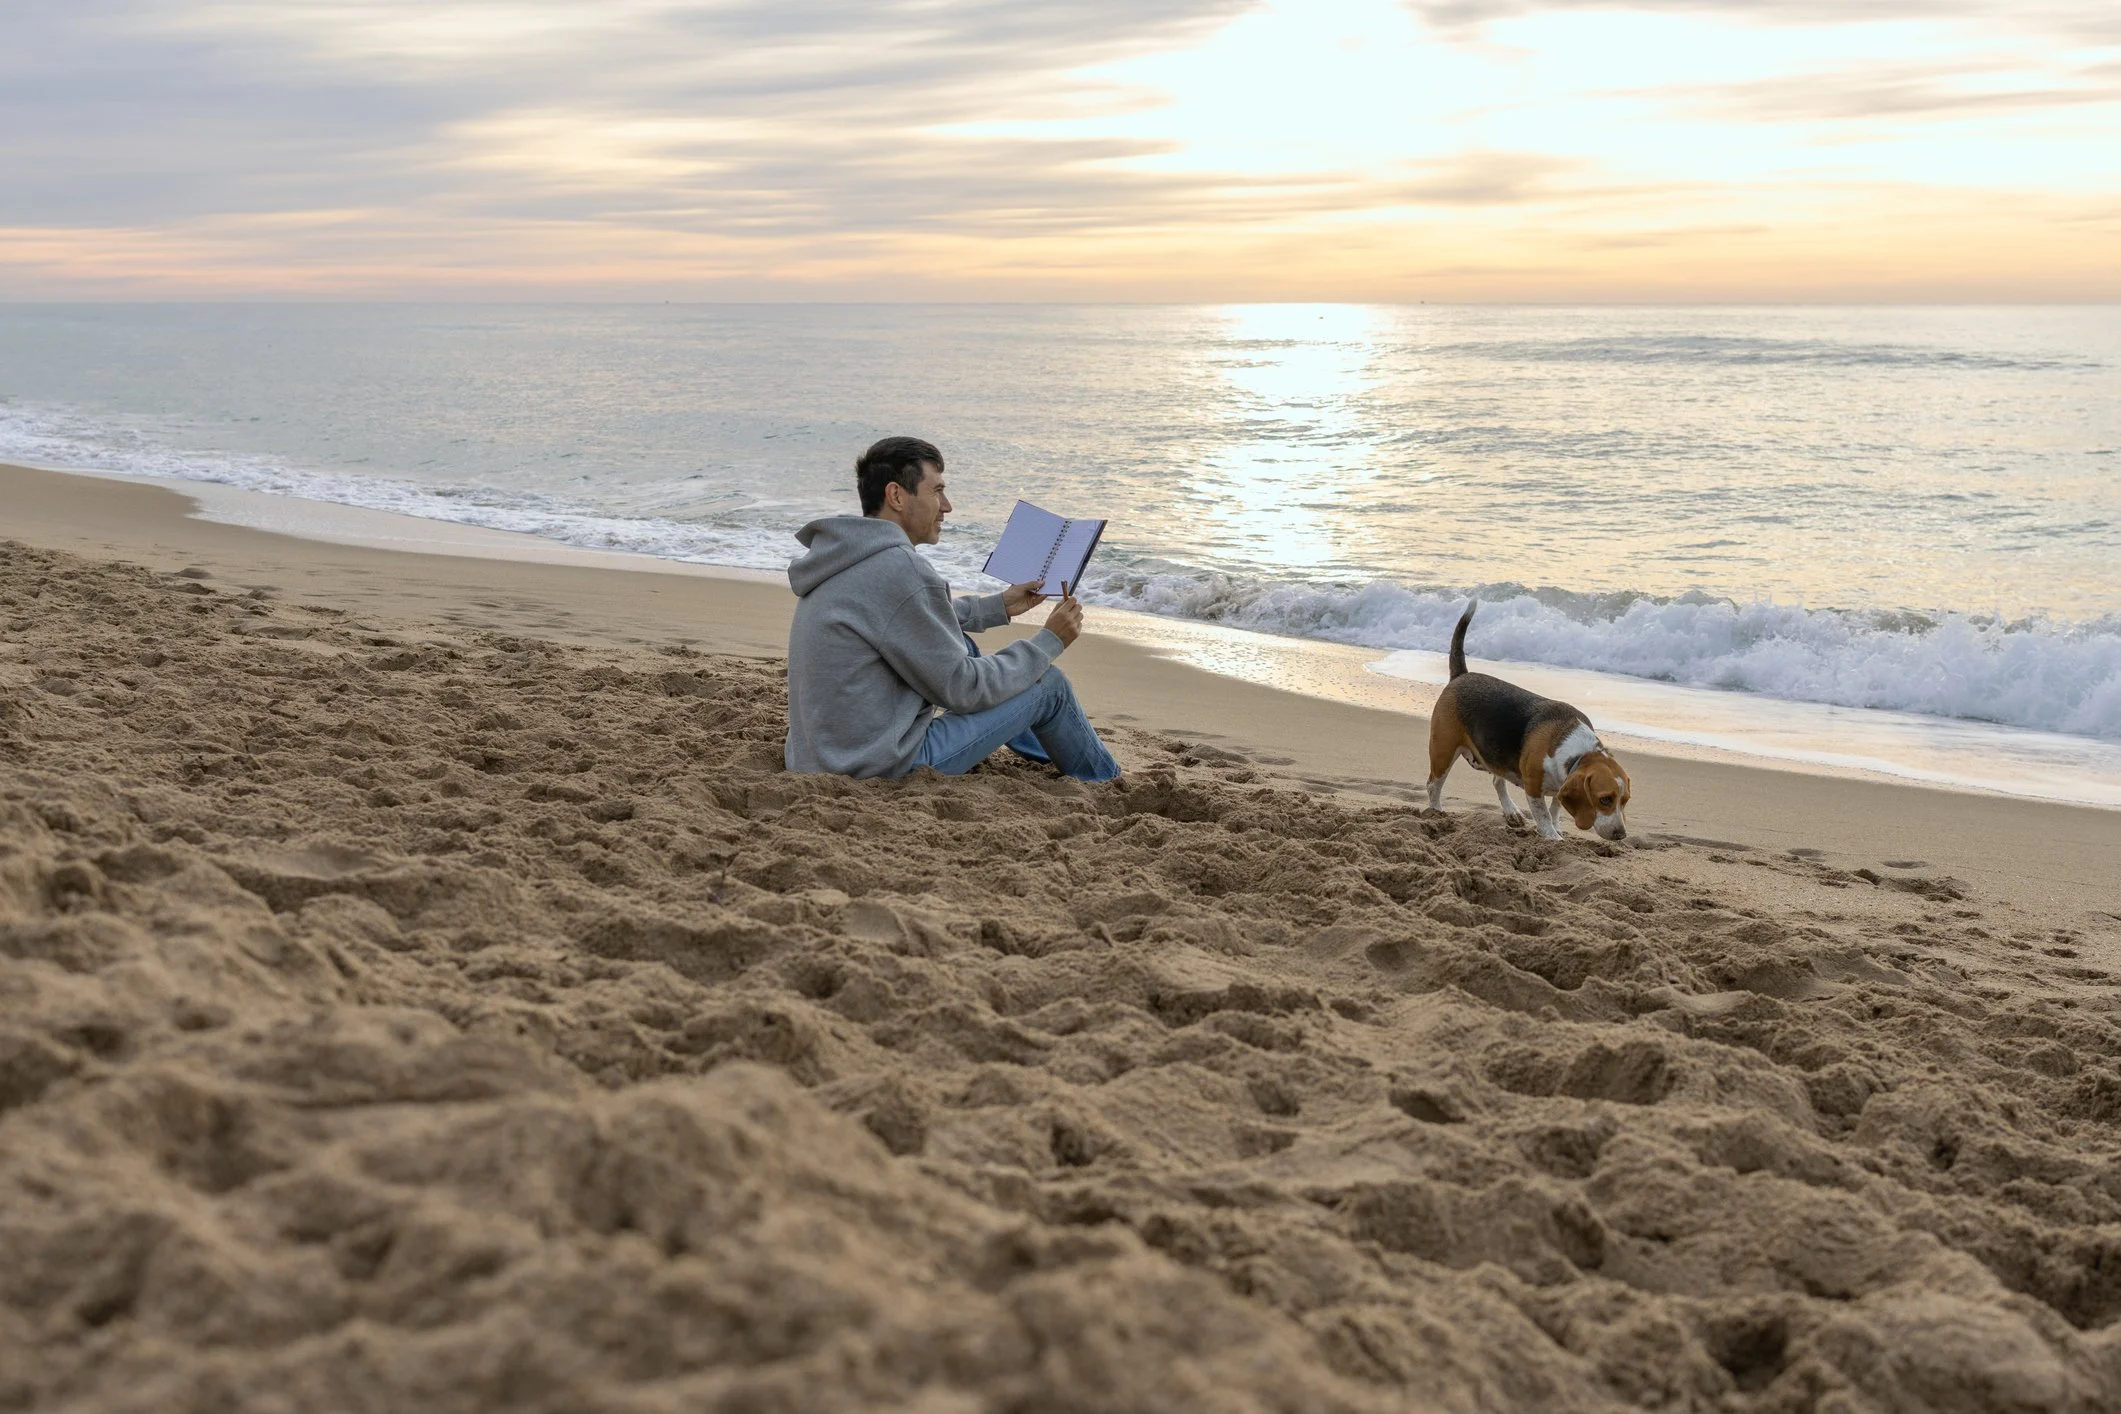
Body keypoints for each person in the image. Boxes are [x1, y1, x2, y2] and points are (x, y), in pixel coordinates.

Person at [784, 436, 1121, 783]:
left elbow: (902, 618)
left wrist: (998, 606)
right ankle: (1104, 779)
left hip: (816, 756)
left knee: (964, 645)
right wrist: (1050, 640)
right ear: (897, 496)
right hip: (878, 765)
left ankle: (1042, 735)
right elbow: (965, 689)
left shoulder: (845, 554)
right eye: (937, 491)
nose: (947, 506)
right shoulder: (902, 569)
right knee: (1047, 684)